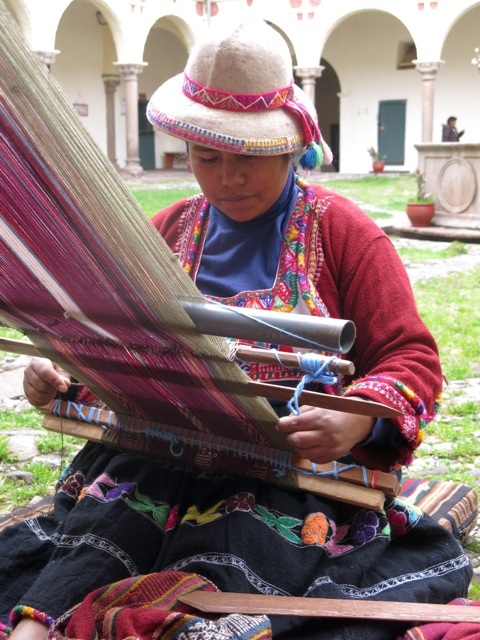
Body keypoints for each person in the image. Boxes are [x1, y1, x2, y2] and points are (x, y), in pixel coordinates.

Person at [0, 20, 474, 640]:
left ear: (288, 147)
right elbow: (124, 349)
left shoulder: (343, 234)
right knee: (95, 545)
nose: (229, 179)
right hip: (155, 458)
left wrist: (358, 415)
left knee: (233, 578)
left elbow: (411, 357)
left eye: (250, 157)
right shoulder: (163, 235)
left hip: (290, 479)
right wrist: (68, 378)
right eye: (208, 157)